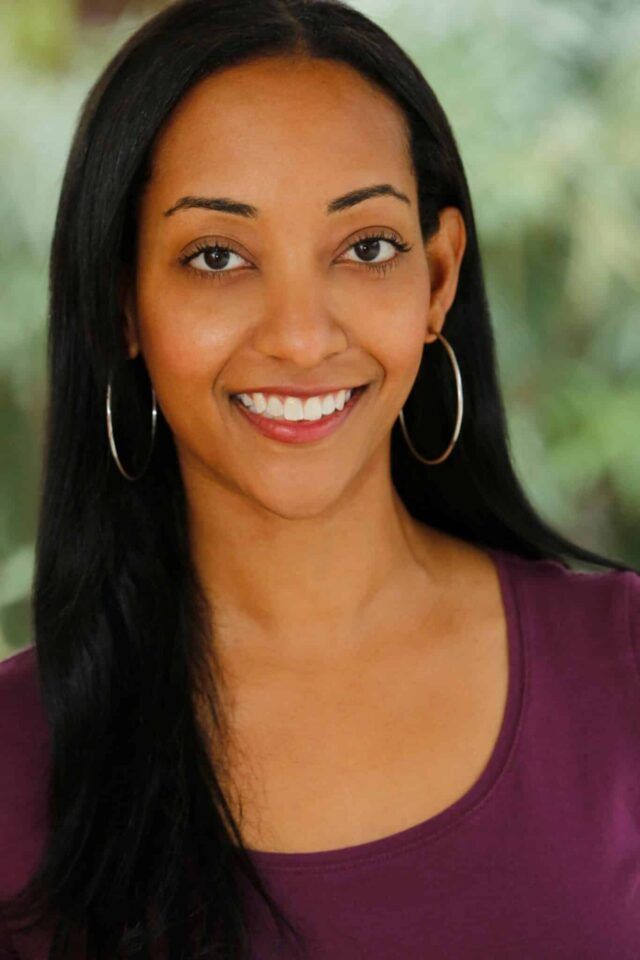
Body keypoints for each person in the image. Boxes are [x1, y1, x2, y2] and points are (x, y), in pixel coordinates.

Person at [1, 0, 639, 957]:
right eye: (217, 257)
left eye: (366, 248)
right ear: (120, 302)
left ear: (437, 276)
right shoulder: (12, 759)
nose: (301, 336)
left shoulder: (623, 669)